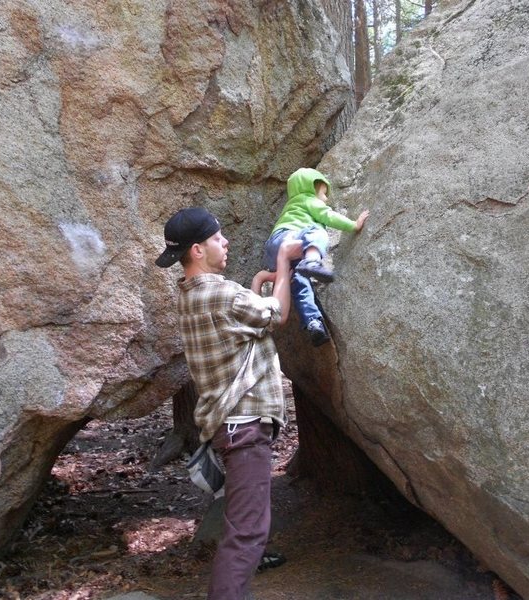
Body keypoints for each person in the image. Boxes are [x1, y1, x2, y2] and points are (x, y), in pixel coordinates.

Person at [155, 207, 302, 600]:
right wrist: (285, 263)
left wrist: (257, 282)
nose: (226, 242)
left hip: (229, 426)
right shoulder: (220, 293)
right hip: (246, 426)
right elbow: (277, 314)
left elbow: (240, 327)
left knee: (243, 525)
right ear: (198, 250)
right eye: (219, 238)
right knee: (248, 532)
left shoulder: (191, 294)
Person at [262, 167, 369, 346]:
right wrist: (354, 225)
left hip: (274, 246)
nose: (326, 199)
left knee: (299, 280)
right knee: (318, 231)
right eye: (324, 193)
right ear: (311, 189)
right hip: (291, 237)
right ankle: (312, 261)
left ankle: (313, 322)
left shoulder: (290, 206)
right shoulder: (308, 199)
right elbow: (327, 215)